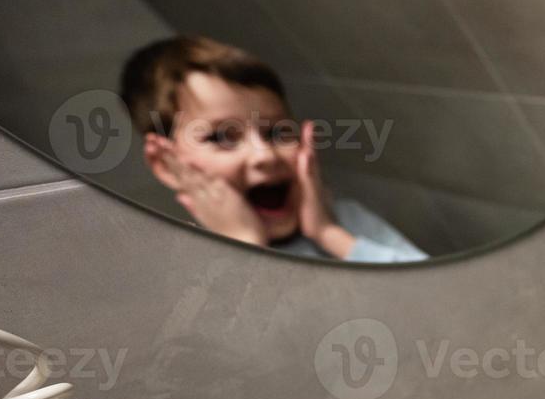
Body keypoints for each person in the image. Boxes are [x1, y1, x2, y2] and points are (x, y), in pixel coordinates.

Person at [119, 35, 426, 263]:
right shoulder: (189, 267)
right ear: (165, 163)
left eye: (277, 131)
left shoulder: (346, 221)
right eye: (221, 137)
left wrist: (330, 235)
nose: (264, 155)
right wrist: (246, 246)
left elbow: (447, 301)